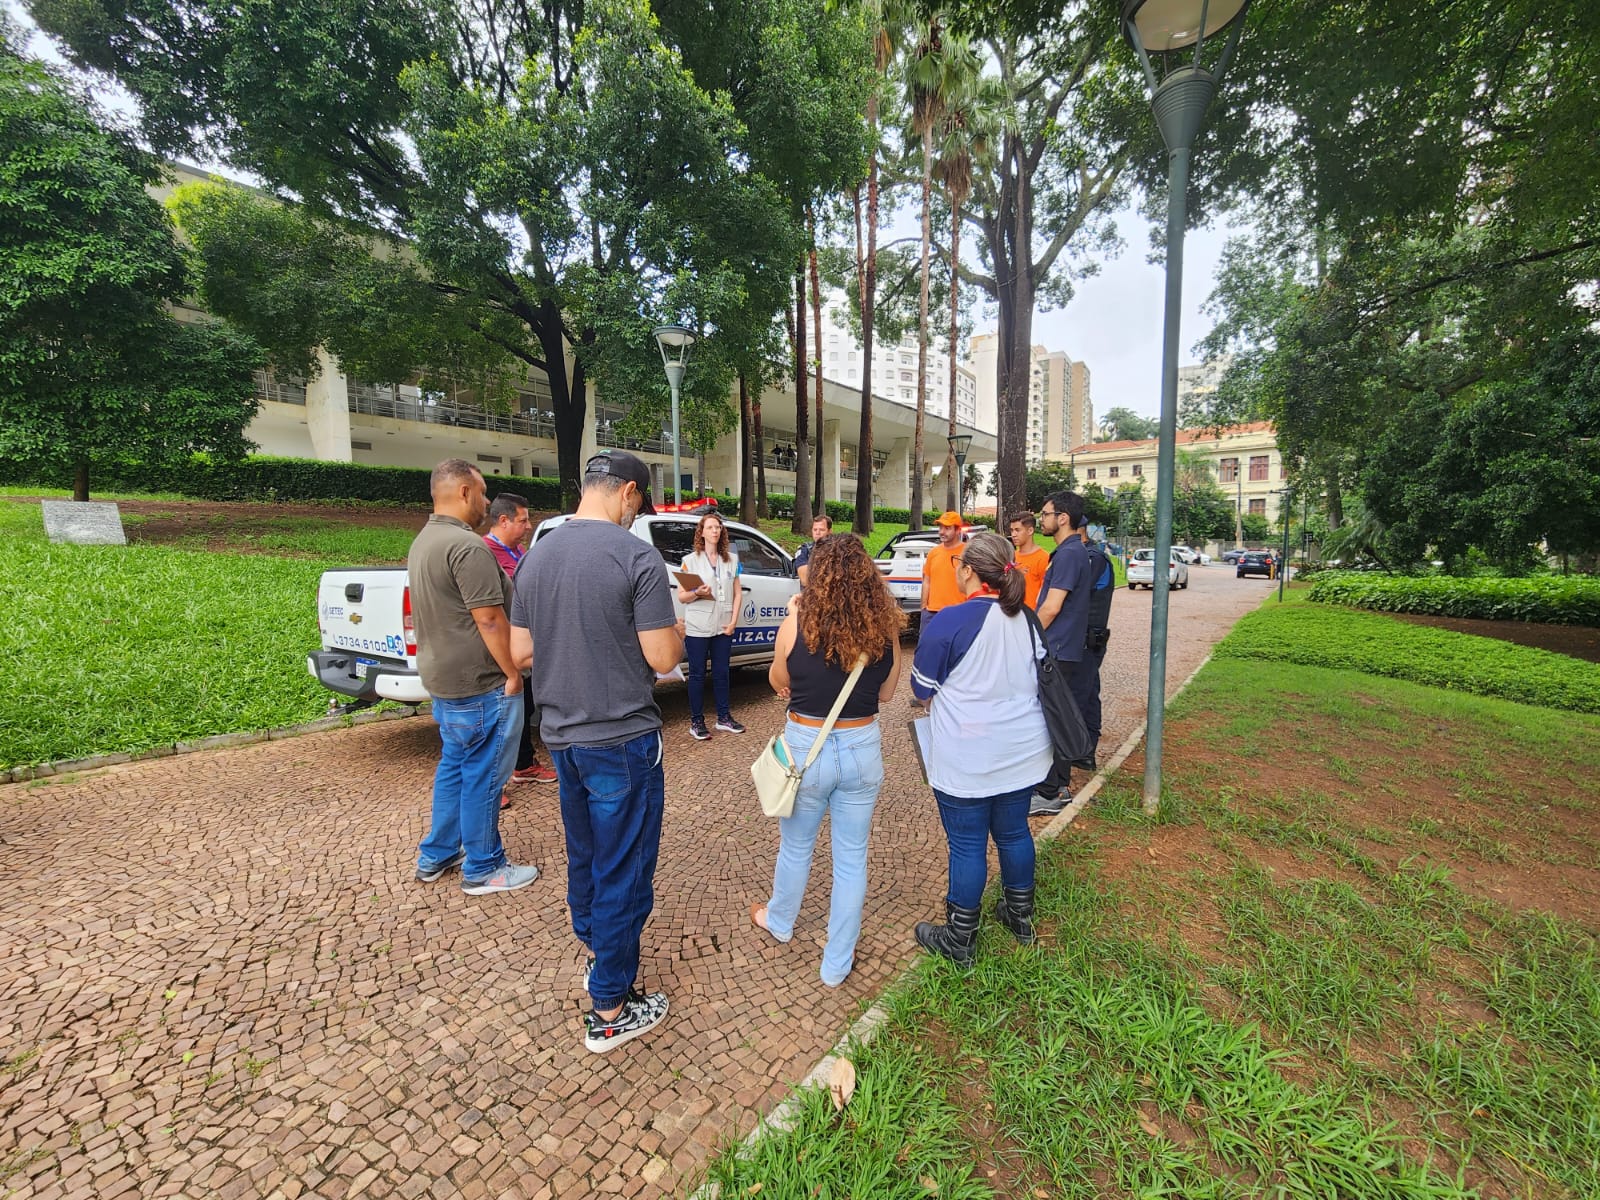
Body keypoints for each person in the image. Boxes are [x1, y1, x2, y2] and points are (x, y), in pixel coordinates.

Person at [510, 450, 683, 1053]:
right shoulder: (636, 556)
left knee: (585, 854)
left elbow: (521, 653)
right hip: (623, 737)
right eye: (641, 504)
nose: (639, 515)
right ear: (629, 492)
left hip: (563, 737)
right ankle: (611, 1002)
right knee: (625, 865)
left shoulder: (537, 555)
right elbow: (663, 659)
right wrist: (677, 626)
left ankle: (596, 943)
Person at [750, 536, 904, 987]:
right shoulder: (885, 627)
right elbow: (889, 694)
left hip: (806, 742)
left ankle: (780, 921)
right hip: (861, 744)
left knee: (796, 847)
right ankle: (836, 963)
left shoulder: (798, 617)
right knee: (852, 858)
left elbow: (778, 677)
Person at [910, 531, 1053, 965]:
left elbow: (921, 688)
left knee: (968, 844)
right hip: (1024, 749)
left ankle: (960, 938)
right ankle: (1020, 915)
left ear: (967, 570)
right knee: (1014, 832)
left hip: (968, 753)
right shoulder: (1027, 618)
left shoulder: (951, 621)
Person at [409, 459, 538, 895]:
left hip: (445, 684)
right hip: (482, 683)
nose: (485, 502)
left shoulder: (424, 540)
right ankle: (484, 866)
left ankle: (437, 853)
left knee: (454, 768)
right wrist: (513, 673)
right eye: (482, 493)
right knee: (484, 774)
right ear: (464, 492)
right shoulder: (468, 547)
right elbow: (489, 619)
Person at [482, 493, 557, 791]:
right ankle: (490, 785)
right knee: (499, 720)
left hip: (524, 648)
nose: (529, 526)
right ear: (503, 521)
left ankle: (524, 765)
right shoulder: (485, 554)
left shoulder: (519, 552)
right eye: (523, 520)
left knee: (523, 711)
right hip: (501, 653)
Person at [1028, 491, 1092, 818]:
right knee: (1056, 716)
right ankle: (1054, 785)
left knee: (1054, 720)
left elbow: (1052, 607)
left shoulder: (1068, 554)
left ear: (1062, 517)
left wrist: (1027, 636)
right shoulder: (1070, 551)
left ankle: (1052, 791)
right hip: (1061, 648)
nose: (1042, 518)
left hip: (1058, 649)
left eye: (1046, 513)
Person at [677, 512, 745, 740]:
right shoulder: (690, 561)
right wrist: (697, 592)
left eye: (718, 527)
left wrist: (734, 620)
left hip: (723, 625)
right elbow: (682, 597)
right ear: (702, 532)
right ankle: (696, 721)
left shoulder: (731, 560)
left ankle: (723, 717)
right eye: (710, 527)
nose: (715, 531)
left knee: (722, 673)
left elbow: (737, 593)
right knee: (697, 674)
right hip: (698, 626)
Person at [919, 511, 966, 625]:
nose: (942, 532)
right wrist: (924, 608)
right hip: (932, 613)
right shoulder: (933, 553)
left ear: (958, 530)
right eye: (940, 527)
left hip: (959, 612)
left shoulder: (968, 552)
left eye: (947, 528)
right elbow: (926, 581)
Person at [1007, 511, 1051, 609]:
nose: (1013, 534)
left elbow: (1046, 594)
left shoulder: (1043, 558)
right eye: (1012, 530)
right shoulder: (1011, 556)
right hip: (1011, 613)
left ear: (1030, 531)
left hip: (1031, 617)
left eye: (1017, 530)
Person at [792, 513, 831, 585]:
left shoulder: (838, 549)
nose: (817, 533)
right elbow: (805, 580)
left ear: (829, 531)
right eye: (815, 530)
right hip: (811, 594)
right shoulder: (805, 550)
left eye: (822, 530)